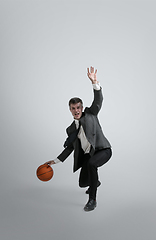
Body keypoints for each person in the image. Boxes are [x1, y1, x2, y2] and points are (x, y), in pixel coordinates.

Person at [45, 66, 112, 212]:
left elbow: (98, 100)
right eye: (73, 108)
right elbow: (70, 147)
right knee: (83, 183)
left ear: (82, 108)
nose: (76, 110)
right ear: (70, 109)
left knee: (92, 164)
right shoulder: (71, 129)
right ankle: (96, 182)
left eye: (78, 107)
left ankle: (92, 200)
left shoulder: (91, 114)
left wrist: (95, 83)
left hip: (103, 150)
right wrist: (55, 161)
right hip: (90, 155)